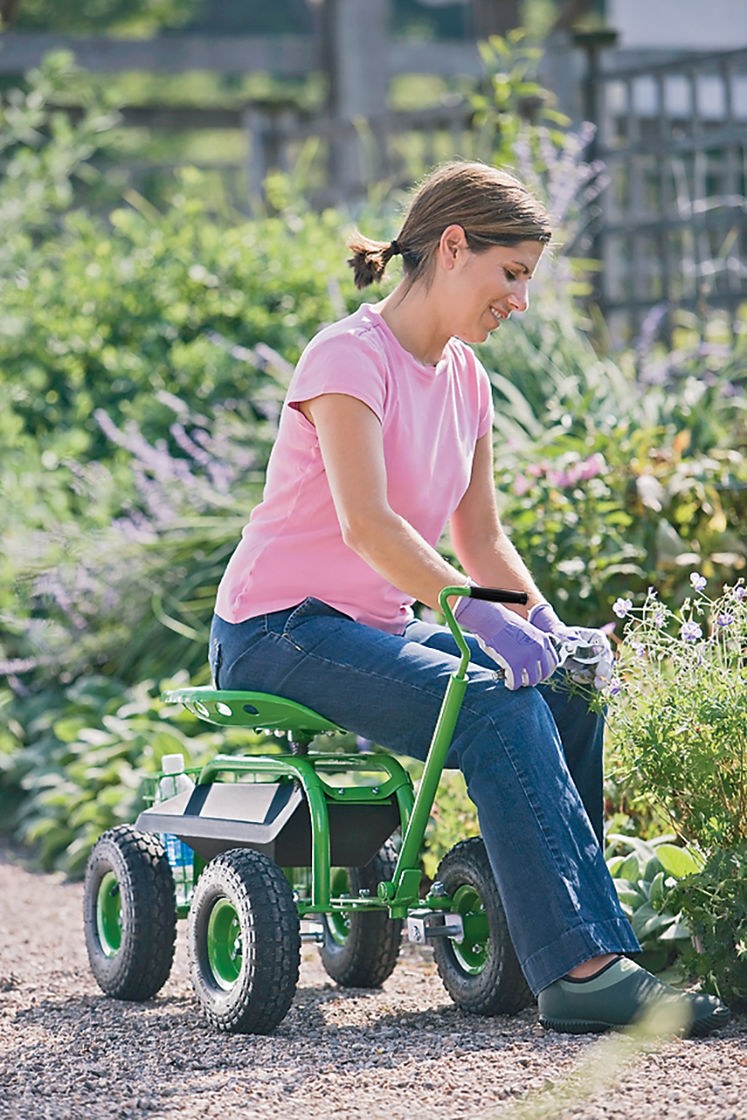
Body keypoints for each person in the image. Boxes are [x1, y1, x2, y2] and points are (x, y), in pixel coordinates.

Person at [209, 160, 728, 1036]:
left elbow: (480, 541)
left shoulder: (465, 379)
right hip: (275, 628)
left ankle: (563, 936)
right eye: (512, 273)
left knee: (562, 685)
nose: (520, 301)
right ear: (453, 247)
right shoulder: (347, 356)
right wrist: (478, 615)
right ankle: (580, 967)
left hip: (373, 624)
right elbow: (368, 526)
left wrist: (546, 624)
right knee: (491, 704)